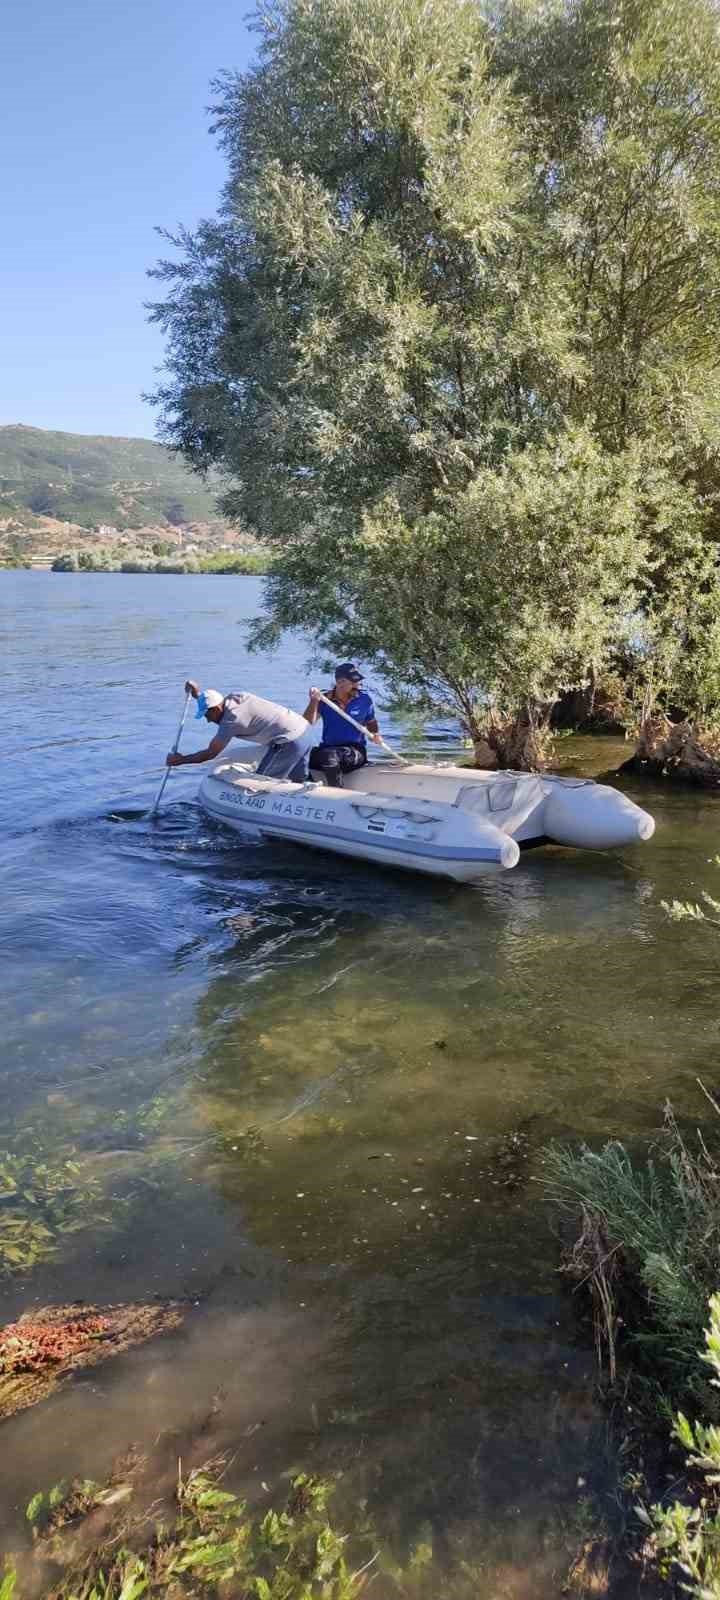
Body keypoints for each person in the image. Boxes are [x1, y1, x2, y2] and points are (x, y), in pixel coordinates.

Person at [165, 679, 314, 781]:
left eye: (207, 715)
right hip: (305, 732)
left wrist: (181, 760)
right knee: (298, 780)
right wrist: (197, 694)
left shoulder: (230, 721)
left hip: (289, 742)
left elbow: (211, 753)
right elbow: (213, 702)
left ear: (217, 709)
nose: (208, 720)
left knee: (260, 783)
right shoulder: (236, 697)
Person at [303, 662, 382, 787]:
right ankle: (306, 788)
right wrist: (314, 702)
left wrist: (375, 733)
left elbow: (371, 721)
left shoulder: (365, 699)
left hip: (355, 751)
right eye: (354, 682)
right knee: (301, 753)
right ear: (340, 682)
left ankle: (337, 792)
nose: (358, 685)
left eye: (359, 681)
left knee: (330, 756)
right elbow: (306, 723)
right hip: (328, 748)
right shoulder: (325, 700)